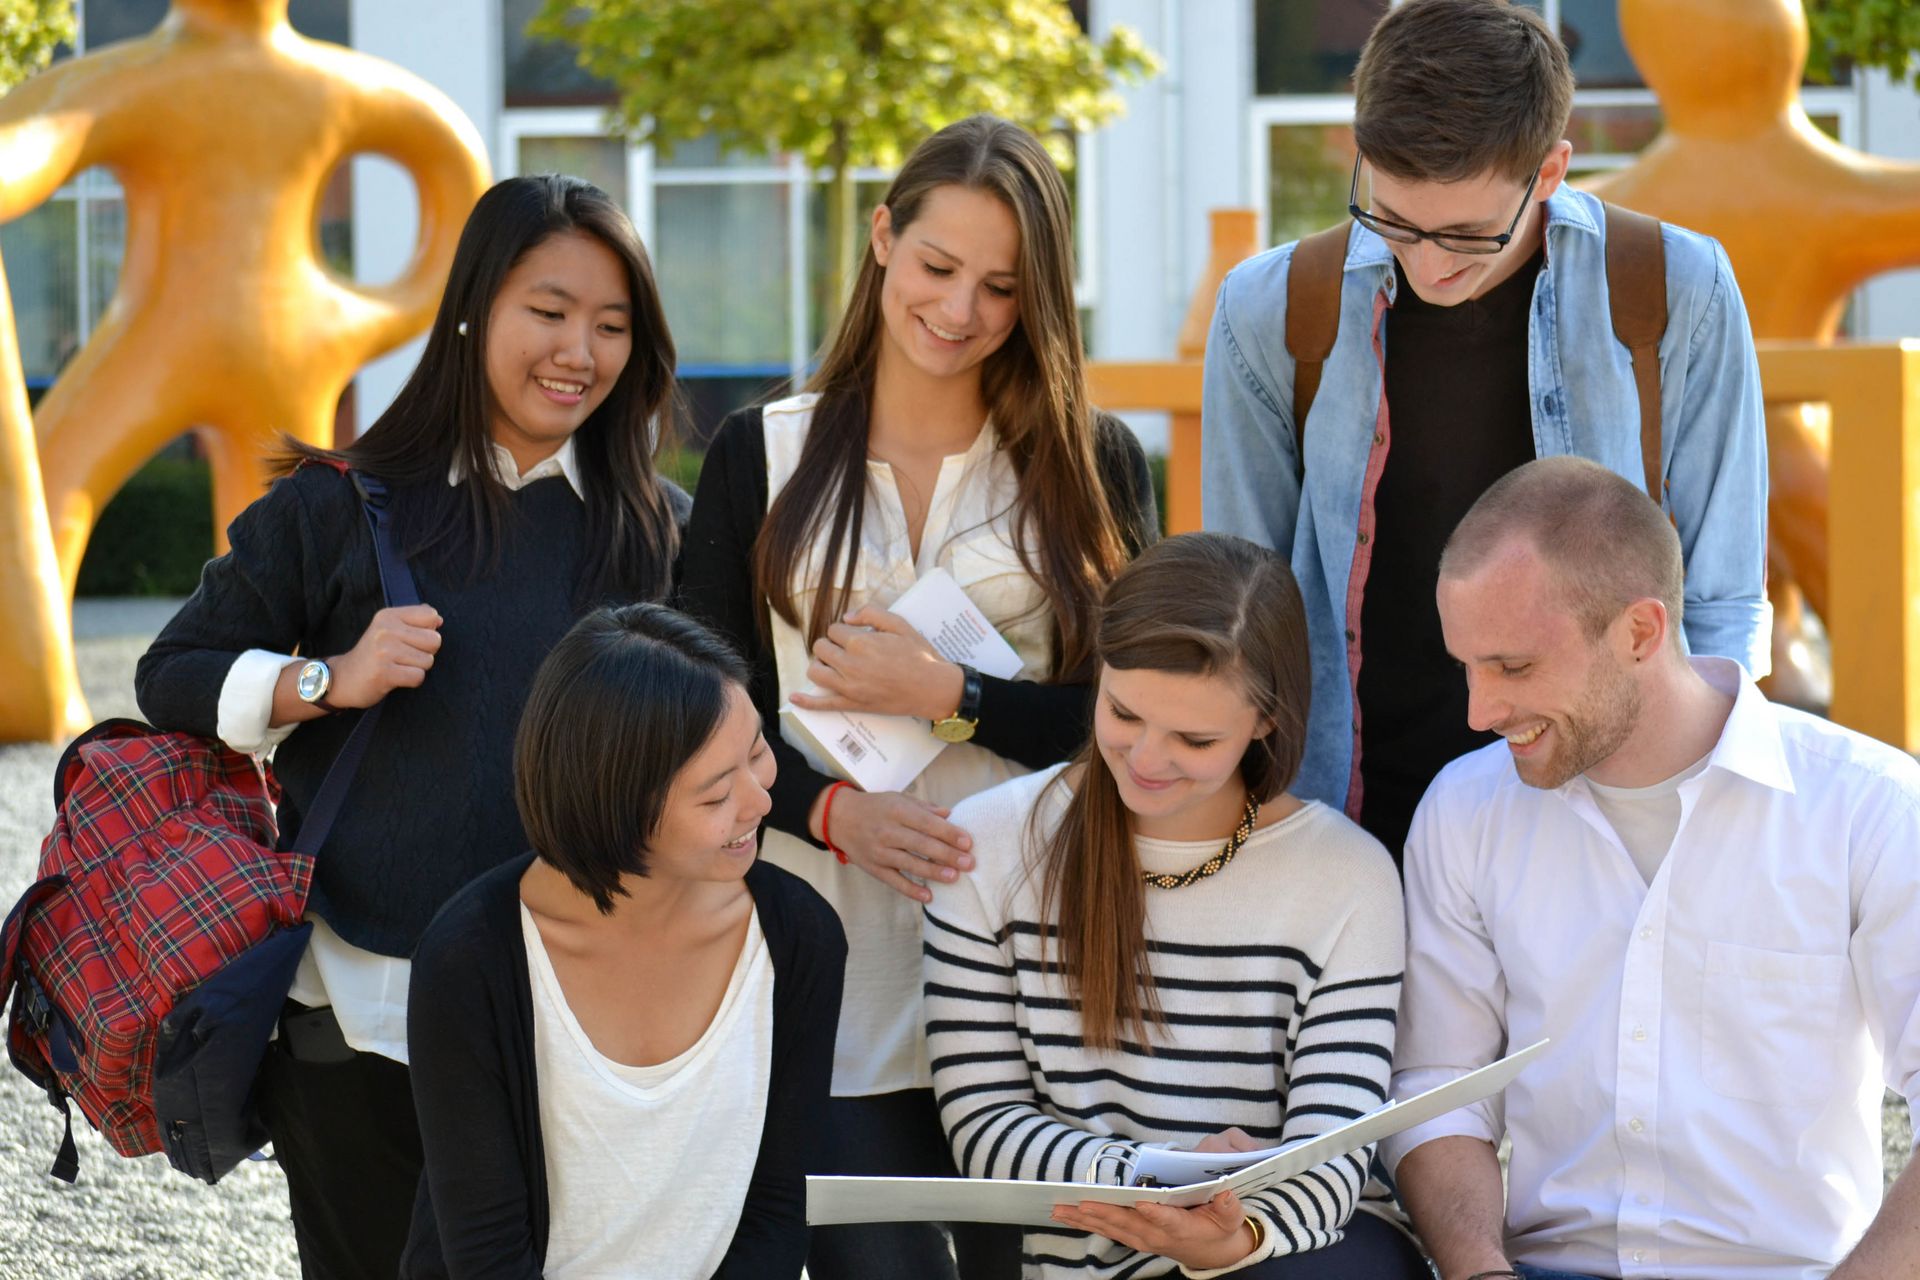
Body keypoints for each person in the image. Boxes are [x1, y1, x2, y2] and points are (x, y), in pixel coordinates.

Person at [133, 173, 689, 1279]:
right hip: (355, 1010)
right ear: (477, 306)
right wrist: (326, 680)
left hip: (582, 1020)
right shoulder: (344, 501)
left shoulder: (661, 533)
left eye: (613, 324)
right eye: (550, 309)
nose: (580, 348)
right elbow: (173, 671)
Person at [677, 113, 1158, 1279]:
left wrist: (954, 695)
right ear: (883, 239)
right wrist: (835, 814)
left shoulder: (1090, 463)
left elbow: (1136, 720)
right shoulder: (761, 453)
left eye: (1001, 286)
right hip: (829, 964)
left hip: (1035, 966)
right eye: (939, 267)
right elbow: (689, 710)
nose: (960, 310)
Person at [1200, 0, 1770, 862]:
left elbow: (1722, 598)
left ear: (1550, 173)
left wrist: (1710, 813)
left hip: (1612, 813)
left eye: (1468, 233)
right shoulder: (1271, 306)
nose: (1428, 264)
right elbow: (1241, 598)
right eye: (1392, 218)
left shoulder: (1672, 287)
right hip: (1351, 813)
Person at [1385, 457, 1920, 1280]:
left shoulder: (1872, 809)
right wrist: (1479, 1270)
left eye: (1514, 667)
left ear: (1640, 632)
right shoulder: (1464, 812)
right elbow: (1438, 1088)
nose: (1479, 712)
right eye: (1468, 665)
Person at [924, 533, 1426, 1280]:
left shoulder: (1347, 876)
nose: (1148, 760)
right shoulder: (987, 844)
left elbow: (1334, 1150)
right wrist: (1157, 1175)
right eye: (1123, 715)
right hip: (1080, 1257)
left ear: (1265, 721)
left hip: (1283, 1257)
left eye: (1194, 738)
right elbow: (984, 1127)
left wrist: (1234, 1237)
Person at [402, 603, 846, 1279]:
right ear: (615, 806)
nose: (759, 801)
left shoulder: (799, 938)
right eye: (717, 793)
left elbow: (778, 1215)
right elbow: (485, 1252)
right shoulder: (472, 957)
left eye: (758, 752)